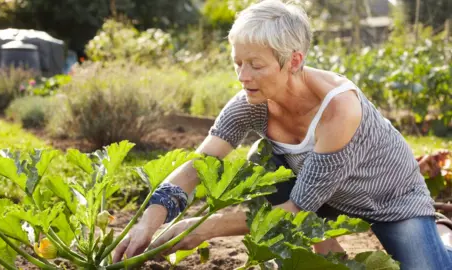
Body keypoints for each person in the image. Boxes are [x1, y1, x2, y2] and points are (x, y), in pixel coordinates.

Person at [113, 1, 452, 268]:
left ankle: (442, 234)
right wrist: (147, 223)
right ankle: (326, 253)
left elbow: (297, 209)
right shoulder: (249, 102)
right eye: (238, 63)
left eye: (255, 65)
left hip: (389, 198)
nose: (243, 76)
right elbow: (198, 166)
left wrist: (204, 228)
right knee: (259, 159)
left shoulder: (338, 109)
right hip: (321, 194)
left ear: (293, 60)